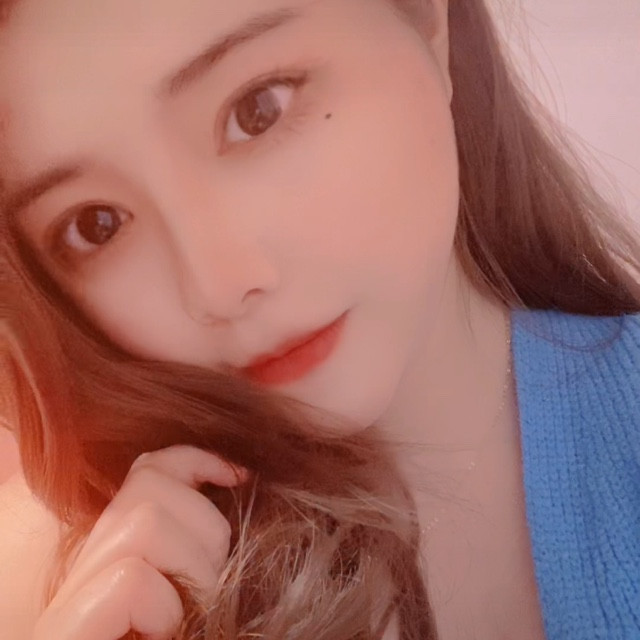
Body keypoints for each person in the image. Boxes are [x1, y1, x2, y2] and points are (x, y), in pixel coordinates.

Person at [0, 0, 639, 638]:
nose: (218, 285)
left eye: (258, 111)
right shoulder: (61, 590)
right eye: (95, 225)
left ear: (426, 21)